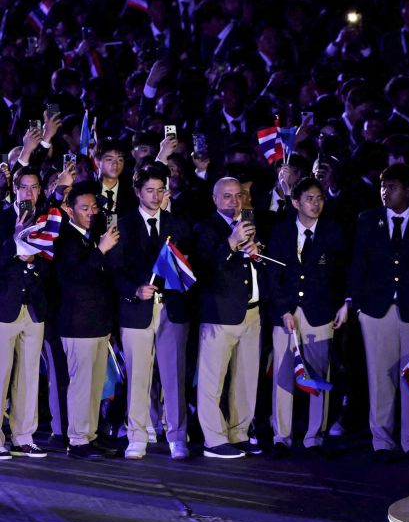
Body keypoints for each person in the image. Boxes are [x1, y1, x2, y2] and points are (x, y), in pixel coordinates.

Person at [348, 163, 409, 460]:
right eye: (382, 186)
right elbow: (358, 264)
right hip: (376, 310)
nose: (385, 192)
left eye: (391, 187)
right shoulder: (368, 220)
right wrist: (358, 305)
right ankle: (382, 442)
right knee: (380, 376)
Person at [110, 162, 194, 460]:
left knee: (174, 377)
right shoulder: (122, 224)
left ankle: (177, 436)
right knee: (138, 377)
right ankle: (137, 436)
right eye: (150, 190)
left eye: (161, 190)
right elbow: (114, 270)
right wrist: (135, 289)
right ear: (137, 191)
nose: (156, 196)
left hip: (172, 309)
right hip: (136, 310)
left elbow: (188, 266)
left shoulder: (178, 224)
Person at [265, 177, 349, 456]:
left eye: (320, 198)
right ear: (295, 202)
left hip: (320, 312)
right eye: (310, 199)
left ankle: (315, 435)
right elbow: (272, 275)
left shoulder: (333, 232)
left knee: (317, 375)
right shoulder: (280, 232)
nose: (315, 204)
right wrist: (282, 309)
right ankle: (282, 435)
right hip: (286, 313)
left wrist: (345, 304)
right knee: (283, 374)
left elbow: (343, 274)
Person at [194, 177, 265, 459]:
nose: (234, 201)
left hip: (252, 312)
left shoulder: (251, 225)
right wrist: (232, 243)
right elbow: (204, 270)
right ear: (215, 199)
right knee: (213, 381)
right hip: (219, 315)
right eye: (227, 196)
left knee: (246, 379)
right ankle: (214, 439)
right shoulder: (205, 228)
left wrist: (256, 252)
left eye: (238, 196)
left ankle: (240, 433)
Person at [54, 182, 121, 460]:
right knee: (81, 384)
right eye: (84, 208)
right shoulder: (65, 238)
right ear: (69, 210)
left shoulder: (91, 236)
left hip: (96, 323)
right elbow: (73, 279)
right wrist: (101, 250)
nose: (91, 213)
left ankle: (90, 435)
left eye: (94, 207)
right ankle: (77, 440)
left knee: (95, 385)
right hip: (77, 323)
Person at [0, 170, 51, 458]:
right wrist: (14, 247)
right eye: (24, 188)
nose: (29, 193)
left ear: (40, 191)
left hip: (34, 307)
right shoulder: (3, 217)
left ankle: (24, 436)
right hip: (4, 306)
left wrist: (34, 263)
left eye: (34, 188)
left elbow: (55, 265)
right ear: (15, 189)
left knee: (30, 375)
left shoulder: (47, 220)